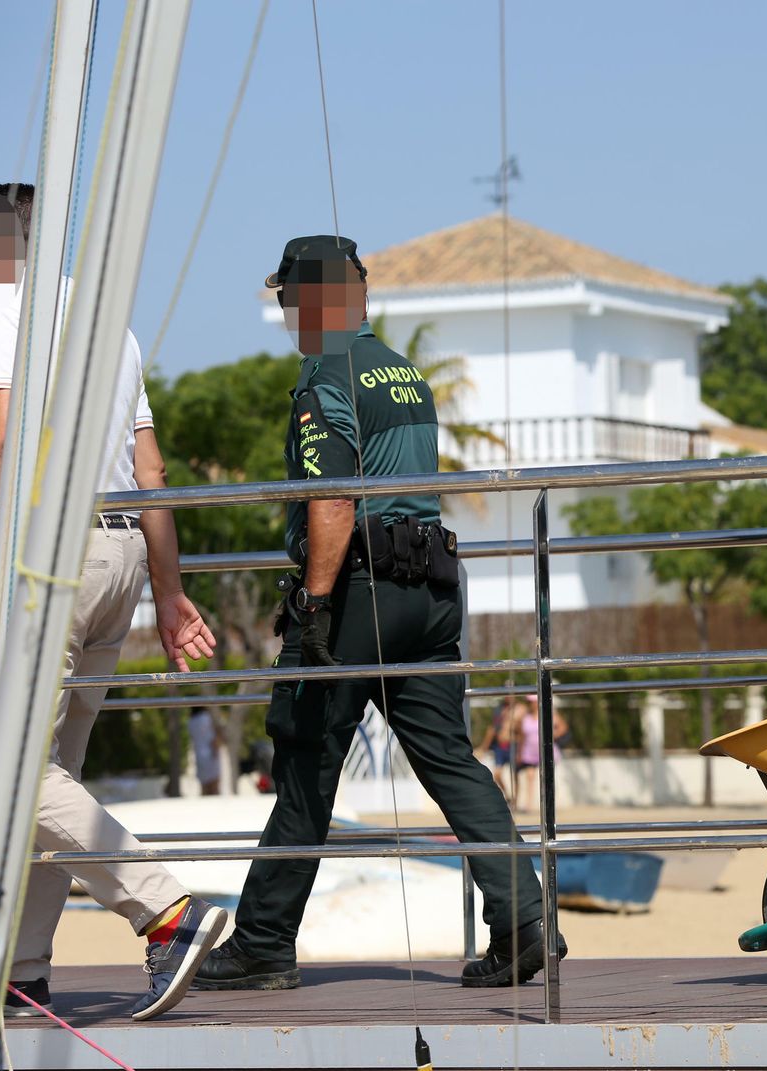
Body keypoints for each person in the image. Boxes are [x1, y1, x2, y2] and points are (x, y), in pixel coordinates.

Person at [194, 235, 561, 992]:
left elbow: (332, 496)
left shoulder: (326, 372)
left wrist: (316, 608)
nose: (290, 315)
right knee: (451, 758)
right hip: (429, 589)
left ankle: (263, 942)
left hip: (358, 587)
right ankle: (526, 917)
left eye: (291, 299)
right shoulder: (405, 371)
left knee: (303, 759)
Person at [0, 183, 227, 1020]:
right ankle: (25, 972)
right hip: (120, 558)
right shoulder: (113, 325)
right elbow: (152, 473)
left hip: (47, 555)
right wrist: (170, 592)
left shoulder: (0, 307)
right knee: (50, 775)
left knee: (10, 769)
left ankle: (168, 909)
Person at [512, 694, 569, 814]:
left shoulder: (548, 714)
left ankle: (548, 805)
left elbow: (562, 727)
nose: (530, 704)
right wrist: (519, 753)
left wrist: (551, 736)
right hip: (529, 751)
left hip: (545, 751)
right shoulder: (525, 717)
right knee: (530, 776)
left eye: (532, 702)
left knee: (546, 778)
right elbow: (521, 735)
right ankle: (528, 804)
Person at [476, 697, 514, 799]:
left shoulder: (519, 710)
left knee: (516, 775)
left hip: (514, 746)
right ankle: (508, 796)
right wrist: (484, 748)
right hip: (501, 748)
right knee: (497, 774)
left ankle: (513, 799)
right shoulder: (499, 710)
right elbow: (492, 730)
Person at [188, 707, 222, 795]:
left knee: (204, 789)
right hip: (210, 754)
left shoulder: (191, 721)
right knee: (214, 788)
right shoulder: (206, 718)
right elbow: (212, 738)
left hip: (199, 756)